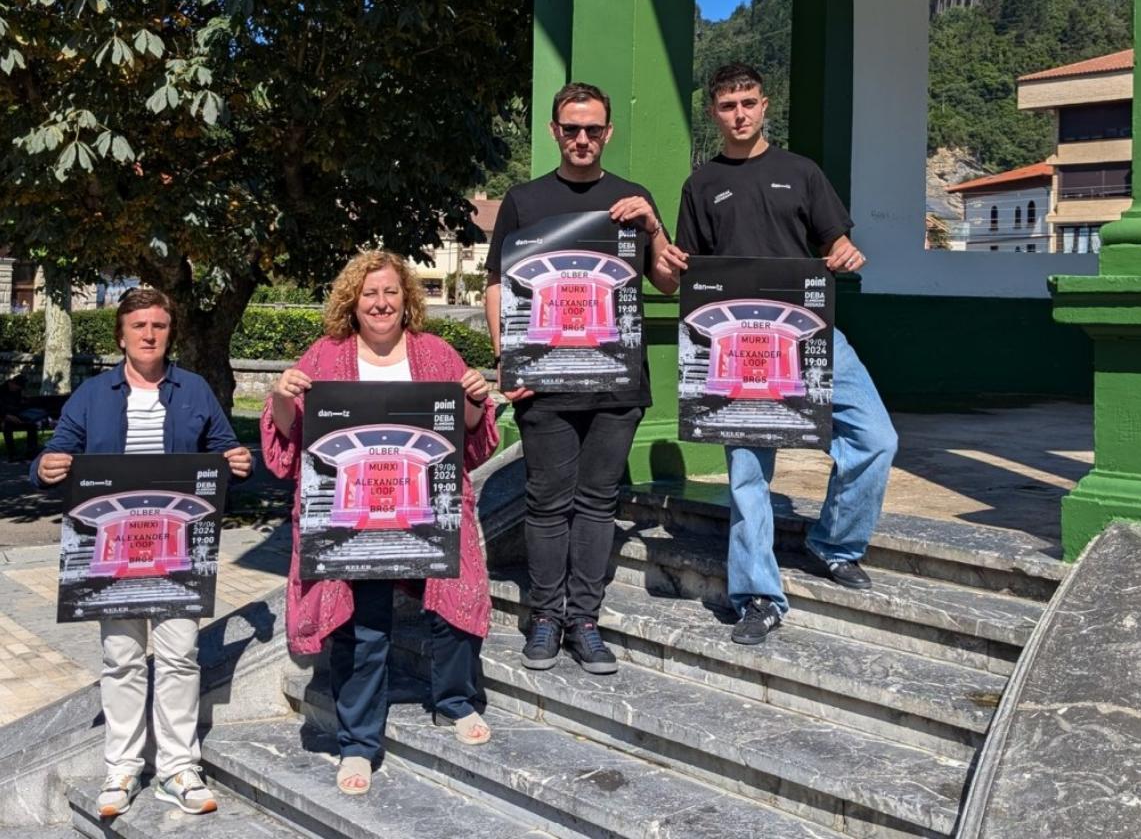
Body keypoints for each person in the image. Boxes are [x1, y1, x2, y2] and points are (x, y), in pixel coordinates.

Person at [656, 63, 898, 646]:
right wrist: (666, 261)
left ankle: (834, 545)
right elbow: (684, 276)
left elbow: (836, 242)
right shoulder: (701, 184)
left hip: (811, 337)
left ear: (765, 105)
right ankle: (758, 595)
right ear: (713, 113)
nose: (738, 114)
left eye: (748, 102)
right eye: (726, 105)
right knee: (746, 474)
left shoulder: (802, 172)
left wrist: (846, 253)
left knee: (876, 439)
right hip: (736, 348)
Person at [261, 250, 498, 796]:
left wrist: (473, 402)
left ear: (406, 299)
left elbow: (468, 439)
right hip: (351, 520)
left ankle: (456, 700)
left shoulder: (436, 354)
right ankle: (359, 742)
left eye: (391, 292)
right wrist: (279, 399)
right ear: (353, 300)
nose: (381, 302)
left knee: (456, 600)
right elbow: (288, 445)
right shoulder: (325, 356)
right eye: (370, 293)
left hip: (426, 510)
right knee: (363, 629)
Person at [30, 288, 254, 817]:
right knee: (123, 656)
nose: (149, 335)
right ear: (122, 335)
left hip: (178, 548)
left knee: (179, 655)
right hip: (111, 551)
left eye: (158, 325)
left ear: (169, 332)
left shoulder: (195, 390)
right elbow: (56, 451)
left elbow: (225, 449)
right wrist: (46, 467)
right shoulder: (91, 395)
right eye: (138, 326)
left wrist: (238, 460)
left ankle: (179, 767)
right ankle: (122, 767)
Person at [485, 82, 679, 675]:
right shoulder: (524, 199)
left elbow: (671, 281)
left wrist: (653, 228)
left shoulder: (633, 199)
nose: (582, 138)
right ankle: (544, 618)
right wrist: (506, 358)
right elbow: (497, 284)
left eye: (593, 128)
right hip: (543, 379)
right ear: (553, 131)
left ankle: (585, 621)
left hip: (615, 383)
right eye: (571, 128)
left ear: (608, 132)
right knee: (546, 504)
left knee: (597, 504)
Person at [2, 374, 39, 461]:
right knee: (7, 427)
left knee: (32, 426)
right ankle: (12, 454)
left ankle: (31, 451)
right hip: (4, 418)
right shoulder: (2, 391)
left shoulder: (17, 392)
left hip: (17, 417)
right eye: (17, 387)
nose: (17, 390)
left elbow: (18, 406)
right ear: (12, 383)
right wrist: (6, 417)